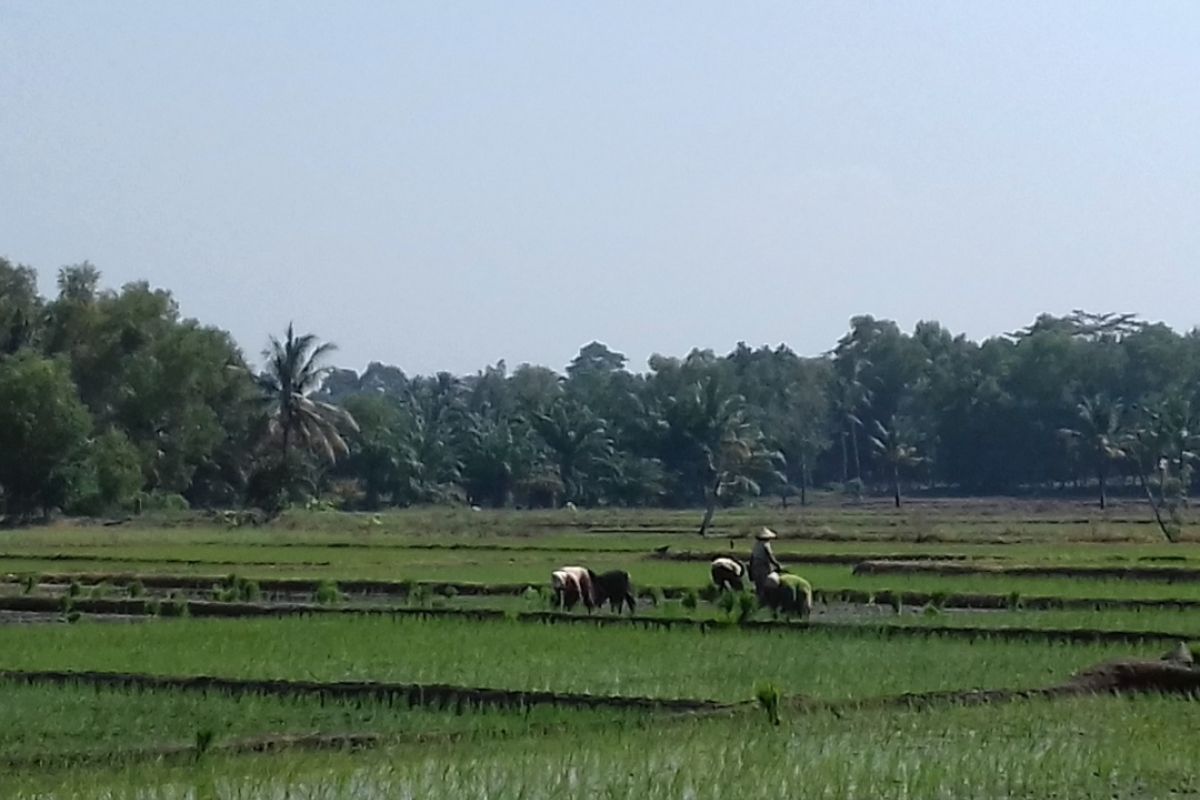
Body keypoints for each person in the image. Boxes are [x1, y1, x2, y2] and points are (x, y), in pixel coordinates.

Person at [749, 527, 783, 598]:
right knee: (765, 585)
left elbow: (752, 557)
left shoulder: (756, 545)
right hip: (763, 567)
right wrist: (777, 564)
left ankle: (758, 601)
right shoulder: (766, 544)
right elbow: (770, 556)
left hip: (755, 567)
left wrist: (751, 569)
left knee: (758, 586)